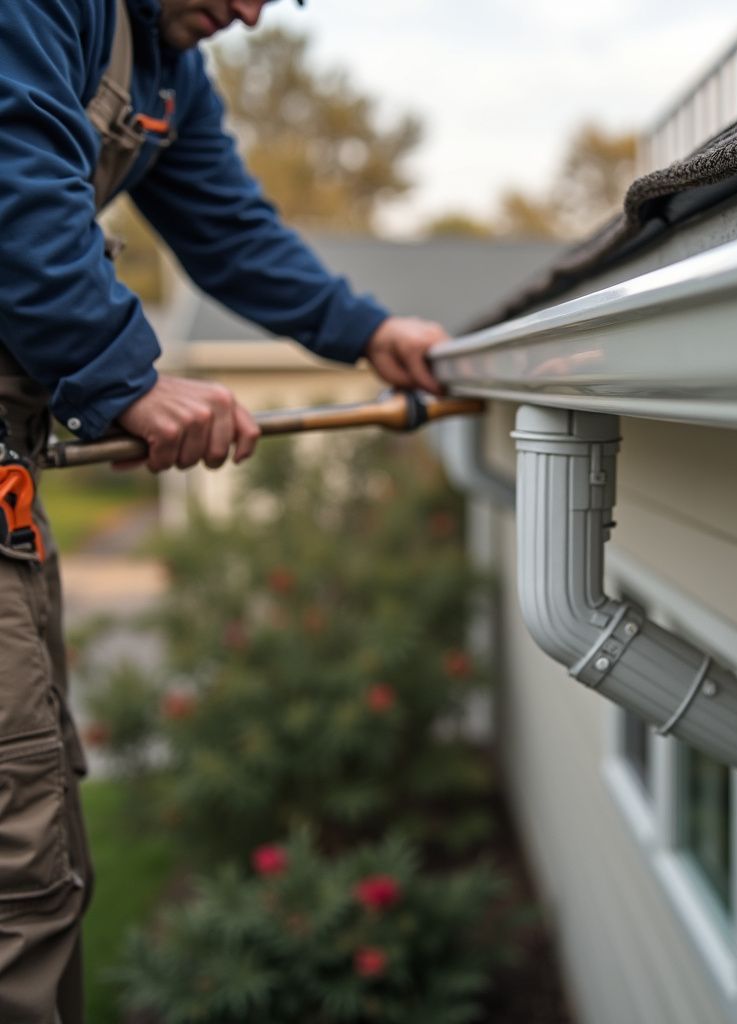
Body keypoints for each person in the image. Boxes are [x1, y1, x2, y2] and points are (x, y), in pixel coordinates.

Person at [0, 1, 448, 1019]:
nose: (250, 12)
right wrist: (125, 380)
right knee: (14, 877)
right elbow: (11, 176)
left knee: (48, 843)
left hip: (10, 491)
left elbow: (231, 230)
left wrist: (368, 331)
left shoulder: (166, 74)